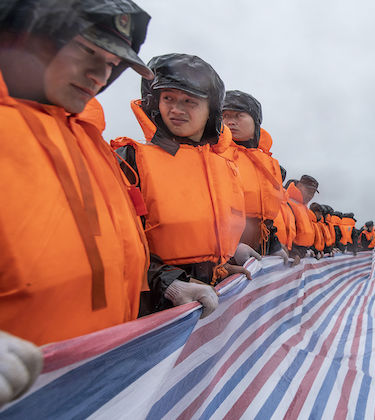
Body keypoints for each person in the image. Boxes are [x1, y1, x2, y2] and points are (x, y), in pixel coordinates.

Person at [0, 0, 151, 406]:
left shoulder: (90, 143)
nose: (99, 74)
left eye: (111, 63)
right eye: (87, 50)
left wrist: (167, 288)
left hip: (97, 389)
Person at [113, 54, 251, 315]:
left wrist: (223, 264)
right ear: (154, 101)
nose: (177, 109)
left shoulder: (223, 165)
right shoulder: (131, 161)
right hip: (157, 303)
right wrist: (171, 284)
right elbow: (119, 242)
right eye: (168, 98)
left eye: (190, 101)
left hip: (209, 292)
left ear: (210, 109)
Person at [222, 91, 287, 263]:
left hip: (260, 250)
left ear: (255, 120)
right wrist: (230, 247)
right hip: (223, 256)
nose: (229, 121)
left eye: (238, 115)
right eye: (225, 115)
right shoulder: (213, 155)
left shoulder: (268, 163)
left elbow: (267, 216)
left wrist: (274, 246)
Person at [286, 175, 319, 264]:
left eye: (313, 193)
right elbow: (286, 232)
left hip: (301, 256)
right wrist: (292, 253)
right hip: (291, 259)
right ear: (299, 186)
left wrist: (312, 250)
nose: (310, 195)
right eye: (308, 191)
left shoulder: (304, 208)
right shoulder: (287, 202)